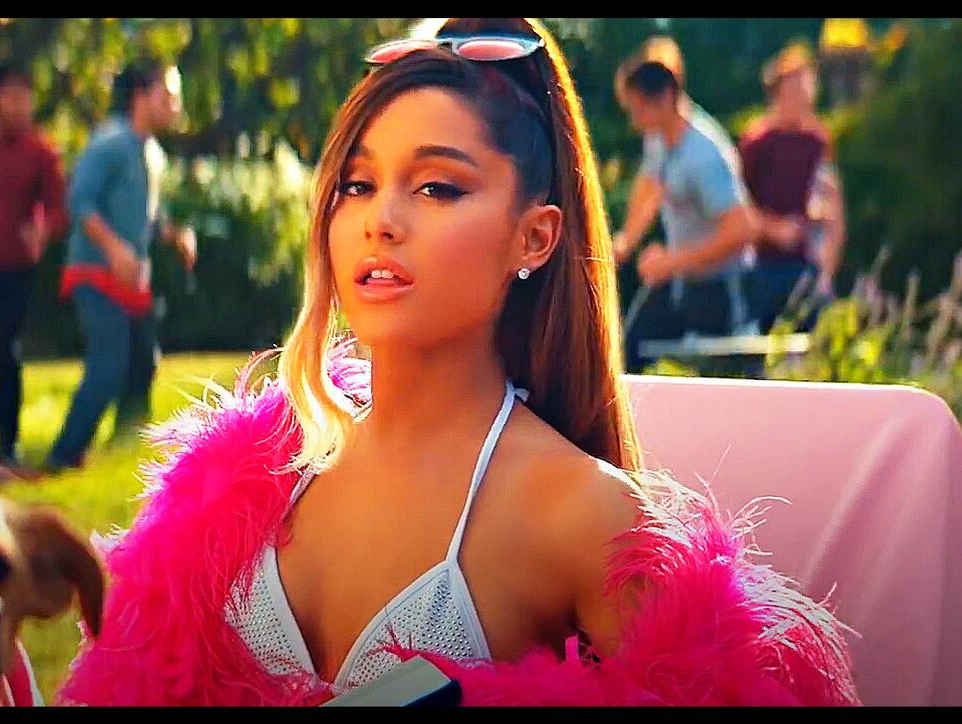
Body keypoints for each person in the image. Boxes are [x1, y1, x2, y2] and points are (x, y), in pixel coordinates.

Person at [57, 19, 857, 706]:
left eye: (437, 187)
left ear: (533, 238)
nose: (381, 219)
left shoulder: (587, 519)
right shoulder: (246, 482)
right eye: (356, 184)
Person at [44, 60, 197, 473]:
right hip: (95, 274)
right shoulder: (109, 143)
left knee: (144, 364)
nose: (176, 106)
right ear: (142, 95)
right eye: (169, 96)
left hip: (132, 281)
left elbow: (148, 219)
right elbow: (80, 202)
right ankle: (62, 457)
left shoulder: (153, 155)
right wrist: (114, 250)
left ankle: (126, 447)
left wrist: (175, 235)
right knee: (107, 366)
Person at [611, 37, 758, 372]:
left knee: (711, 380)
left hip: (721, 291)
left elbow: (743, 230)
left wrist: (671, 261)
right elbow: (650, 186)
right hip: (683, 280)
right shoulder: (658, 136)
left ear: (665, 99)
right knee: (626, 352)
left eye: (637, 110)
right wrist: (625, 243)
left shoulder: (704, 155)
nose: (634, 121)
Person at [0, 59, 68, 469]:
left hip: (10, 269)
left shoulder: (40, 152)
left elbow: (59, 211)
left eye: (28, 97)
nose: (24, 105)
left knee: (4, 352)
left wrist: (43, 229)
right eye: (15, 96)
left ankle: (8, 445)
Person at [739, 42, 847, 333]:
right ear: (777, 93)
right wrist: (774, 229)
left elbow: (830, 201)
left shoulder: (817, 141)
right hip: (762, 266)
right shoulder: (757, 142)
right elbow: (738, 206)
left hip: (806, 263)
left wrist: (827, 267)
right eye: (795, 90)